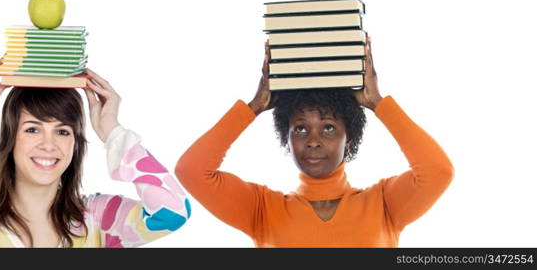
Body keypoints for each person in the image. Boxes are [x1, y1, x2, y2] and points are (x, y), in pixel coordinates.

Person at [175, 38, 453, 247]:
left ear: (350, 136)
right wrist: (254, 106)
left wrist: (378, 103)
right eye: (300, 129)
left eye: (329, 127)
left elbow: (437, 171)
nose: (313, 141)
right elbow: (191, 170)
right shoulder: (261, 209)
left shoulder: (384, 203)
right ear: (287, 137)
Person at [0, 61, 190, 247]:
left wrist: (113, 132)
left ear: (76, 143)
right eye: (32, 129)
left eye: (62, 131)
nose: (49, 144)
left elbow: (172, 212)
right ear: (11, 138)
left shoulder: (101, 220)